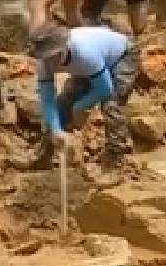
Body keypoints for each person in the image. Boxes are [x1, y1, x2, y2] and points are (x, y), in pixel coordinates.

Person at [15, 24, 138, 171]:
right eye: (45, 57)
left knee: (111, 104)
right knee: (63, 103)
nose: (50, 62)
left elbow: (105, 89)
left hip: (122, 57)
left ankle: (114, 162)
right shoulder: (44, 63)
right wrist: (56, 130)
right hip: (91, 68)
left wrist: (79, 107)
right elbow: (48, 100)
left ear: (63, 48)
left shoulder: (84, 53)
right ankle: (43, 157)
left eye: (53, 56)